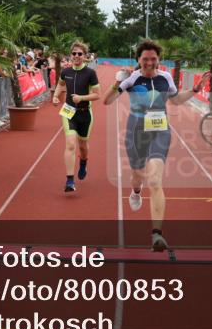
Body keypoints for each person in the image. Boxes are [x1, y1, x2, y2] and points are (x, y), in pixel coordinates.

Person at [103, 39, 204, 251]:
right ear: (139, 60)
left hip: (160, 130)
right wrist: (117, 82)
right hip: (136, 131)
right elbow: (107, 101)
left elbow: (175, 101)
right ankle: (136, 191)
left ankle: (157, 235)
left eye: (153, 59)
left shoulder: (166, 78)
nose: (149, 62)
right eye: (145, 59)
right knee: (138, 175)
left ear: (158, 60)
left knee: (156, 180)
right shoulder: (131, 79)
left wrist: (194, 90)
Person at [53, 41, 100, 192]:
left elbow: (97, 95)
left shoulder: (90, 73)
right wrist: (55, 96)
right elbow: (60, 85)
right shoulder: (66, 72)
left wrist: (81, 98)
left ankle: (84, 163)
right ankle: (69, 181)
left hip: (85, 114)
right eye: (74, 53)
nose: (76, 56)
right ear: (70, 55)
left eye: (80, 54)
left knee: (83, 146)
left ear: (85, 56)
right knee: (70, 144)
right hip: (68, 112)